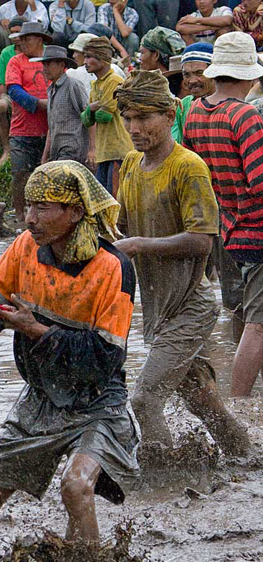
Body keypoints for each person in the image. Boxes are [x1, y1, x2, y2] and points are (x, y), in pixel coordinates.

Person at [0, 160, 139, 562]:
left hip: (97, 402)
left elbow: (104, 359)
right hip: (40, 399)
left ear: (75, 211)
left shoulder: (114, 268)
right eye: (28, 205)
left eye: (44, 207)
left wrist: (36, 330)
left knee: (76, 486)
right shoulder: (24, 248)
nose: (29, 217)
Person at [113, 69, 251, 460]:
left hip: (191, 306)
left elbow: (203, 240)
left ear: (169, 115)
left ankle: (165, 479)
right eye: (128, 117)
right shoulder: (129, 166)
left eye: (144, 118)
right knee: (202, 400)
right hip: (159, 309)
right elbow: (118, 227)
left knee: (144, 398)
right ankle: (246, 458)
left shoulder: (187, 166)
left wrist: (141, 244)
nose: (134, 127)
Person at [184, 32, 263, 396]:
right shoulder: (245, 115)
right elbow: (260, 181)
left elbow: (192, 173)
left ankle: (246, 389)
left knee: (240, 312)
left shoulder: (195, 112)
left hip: (223, 227)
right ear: (249, 76)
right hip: (256, 227)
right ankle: (242, 403)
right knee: (259, 323)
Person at [5, 21, 49, 226]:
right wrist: (38, 104)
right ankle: (20, 214)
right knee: (19, 173)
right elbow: (13, 90)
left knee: (46, 174)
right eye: (20, 39)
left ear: (39, 40)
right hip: (22, 128)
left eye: (27, 38)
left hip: (48, 129)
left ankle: (43, 216)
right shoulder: (16, 61)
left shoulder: (51, 60)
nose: (22, 43)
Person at [82, 36, 133, 195]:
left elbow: (105, 116)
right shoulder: (96, 84)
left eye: (89, 57)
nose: (85, 61)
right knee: (102, 198)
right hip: (104, 152)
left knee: (114, 198)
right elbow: (86, 120)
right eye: (85, 56)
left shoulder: (114, 81)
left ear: (102, 58)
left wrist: (91, 110)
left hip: (118, 151)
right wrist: (91, 109)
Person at [34, 44, 88, 164]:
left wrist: (92, 149)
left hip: (72, 149)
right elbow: (51, 126)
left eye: (49, 64)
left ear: (61, 65)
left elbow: (89, 116)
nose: (45, 68)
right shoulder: (51, 90)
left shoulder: (73, 85)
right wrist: (45, 156)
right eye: (44, 64)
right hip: (56, 150)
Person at [0, 16, 26, 168]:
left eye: (18, 33)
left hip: (33, 95)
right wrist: (3, 98)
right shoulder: (7, 53)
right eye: (12, 33)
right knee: (0, 106)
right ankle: (7, 149)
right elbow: (2, 82)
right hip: (13, 95)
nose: (15, 37)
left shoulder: (39, 50)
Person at [172, 42, 214, 143]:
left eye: (199, 73)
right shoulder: (182, 106)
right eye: (186, 74)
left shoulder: (227, 106)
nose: (192, 80)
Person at [139, 27, 186, 95]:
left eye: (142, 53)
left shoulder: (155, 89)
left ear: (156, 55)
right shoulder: (183, 81)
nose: (140, 58)